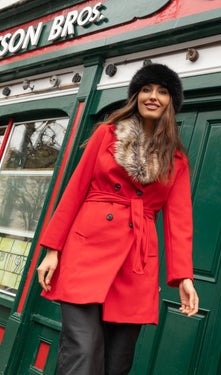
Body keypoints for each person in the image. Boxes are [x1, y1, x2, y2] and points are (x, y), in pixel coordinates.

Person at [37, 63, 199, 375]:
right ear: (136, 96)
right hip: (86, 252)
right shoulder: (105, 135)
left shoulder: (176, 160)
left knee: (117, 362)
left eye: (162, 92)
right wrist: (51, 250)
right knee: (83, 351)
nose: (153, 96)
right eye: (146, 89)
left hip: (136, 261)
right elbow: (74, 190)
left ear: (171, 103)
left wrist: (185, 278)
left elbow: (179, 222)